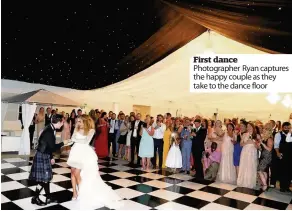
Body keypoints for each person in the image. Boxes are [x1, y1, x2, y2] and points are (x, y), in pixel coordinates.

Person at [67, 114, 124, 209]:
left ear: (85, 121)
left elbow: (85, 141)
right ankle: (74, 193)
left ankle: (82, 193)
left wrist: (75, 139)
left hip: (83, 153)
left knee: (77, 173)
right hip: (75, 151)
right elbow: (72, 139)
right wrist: (71, 140)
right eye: (77, 121)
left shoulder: (91, 130)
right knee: (72, 172)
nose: (77, 123)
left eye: (80, 121)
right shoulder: (76, 128)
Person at [29, 114, 68, 206]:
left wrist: (51, 157)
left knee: (46, 179)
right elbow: (53, 147)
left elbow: (47, 145)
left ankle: (47, 197)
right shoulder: (49, 131)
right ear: (58, 122)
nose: (62, 124)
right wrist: (63, 143)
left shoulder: (49, 128)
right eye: (62, 122)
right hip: (42, 156)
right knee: (44, 179)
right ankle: (35, 198)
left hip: (44, 154)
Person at [237, 122, 260, 189]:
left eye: (250, 126)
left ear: (253, 127)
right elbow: (241, 144)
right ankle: (242, 181)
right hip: (245, 152)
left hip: (252, 152)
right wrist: (246, 142)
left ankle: (250, 182)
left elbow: (258, 147)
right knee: (244, 165)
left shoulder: (257, 136)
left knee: (251, 166)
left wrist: (253, 142)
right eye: (247, 126)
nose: (249, 128)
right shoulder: (244, 135)